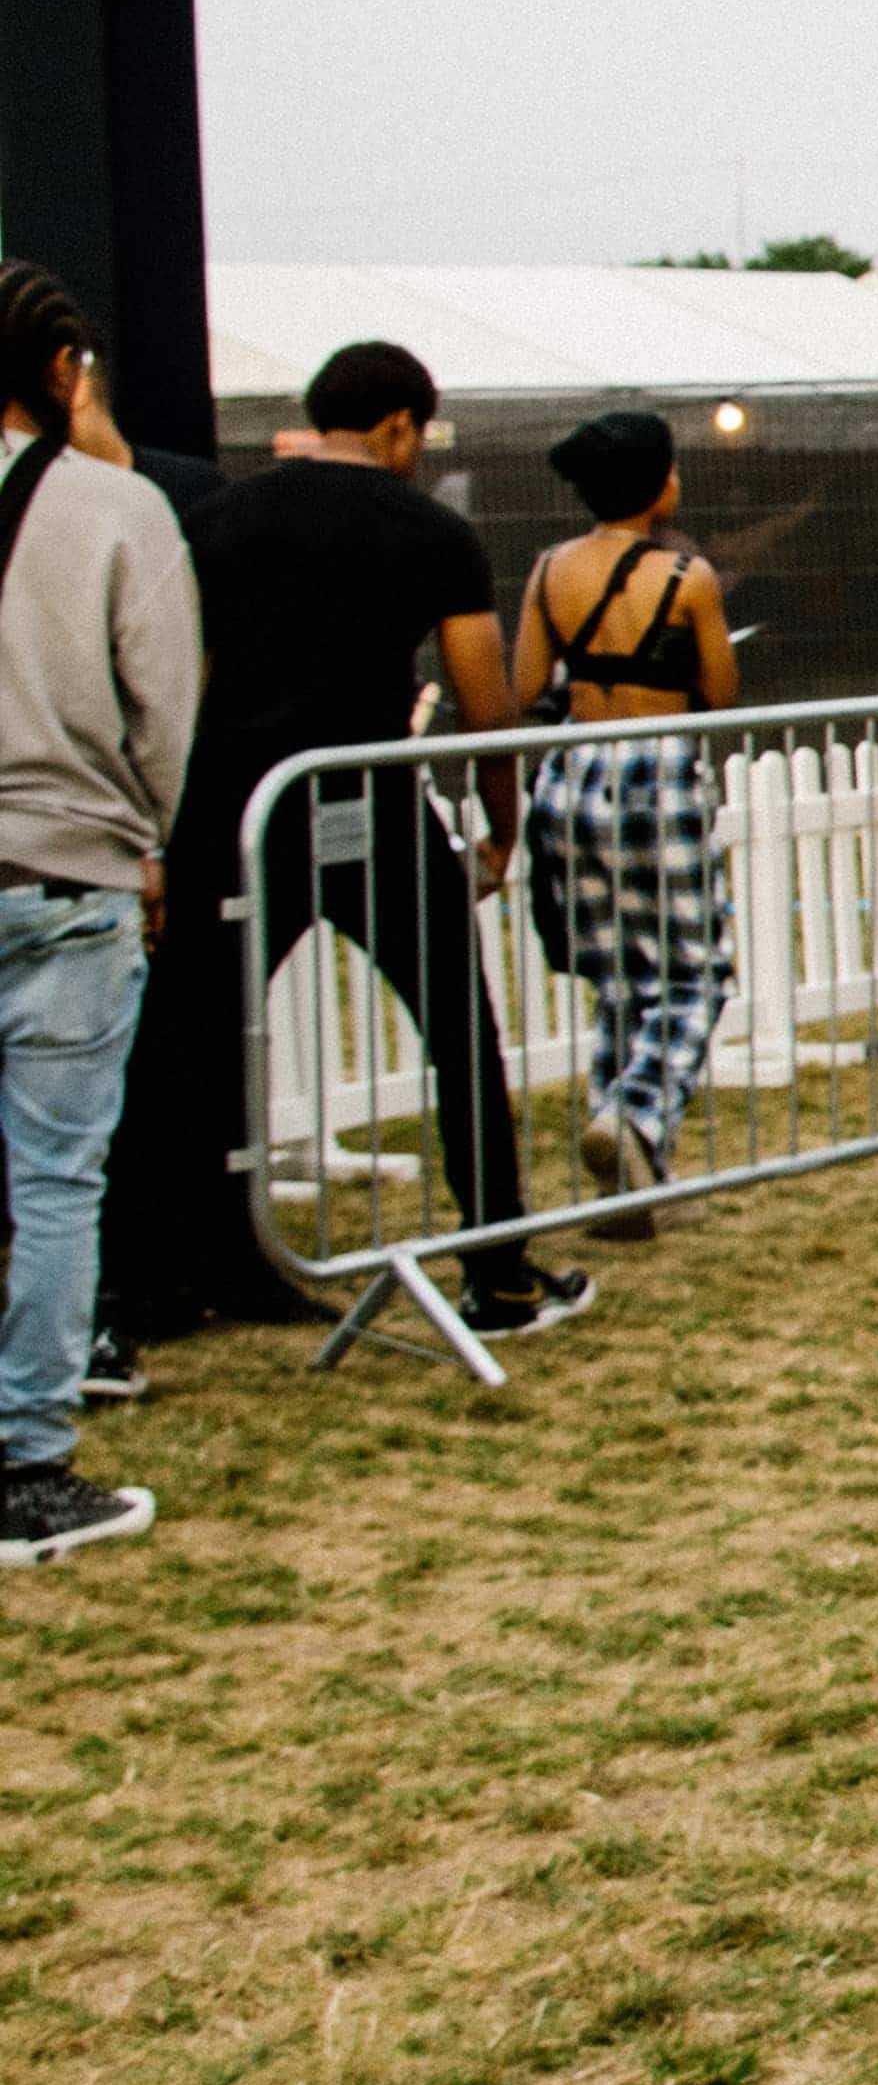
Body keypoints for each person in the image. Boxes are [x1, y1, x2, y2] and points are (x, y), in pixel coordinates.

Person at [149, 341, 586, 1347]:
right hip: (375, 805)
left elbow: (187, 685)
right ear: (400, 425)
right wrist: (499, 830)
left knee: (200, 1039)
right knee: (459, 1035)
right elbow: (488, 707)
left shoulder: (216, 520)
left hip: (238, 809)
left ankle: (190, 1264)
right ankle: (498, 1268)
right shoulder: (432, 531)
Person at [0, 266, 198, 1565]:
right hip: (64, 869)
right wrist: (146, 838)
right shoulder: (119, 509)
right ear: (65, 368)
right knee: (56, 1177)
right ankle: (27, 1463)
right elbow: (162, 707)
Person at [513, 407, 739, 1226]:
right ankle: (636, 1115)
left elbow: (529, 681)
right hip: (659, 771)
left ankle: (630, 1184)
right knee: (696, 974)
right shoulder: (688, 578)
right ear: (661, 482)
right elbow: (719, 691)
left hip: (573, 773)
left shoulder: (547, 570)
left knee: (619, 979)